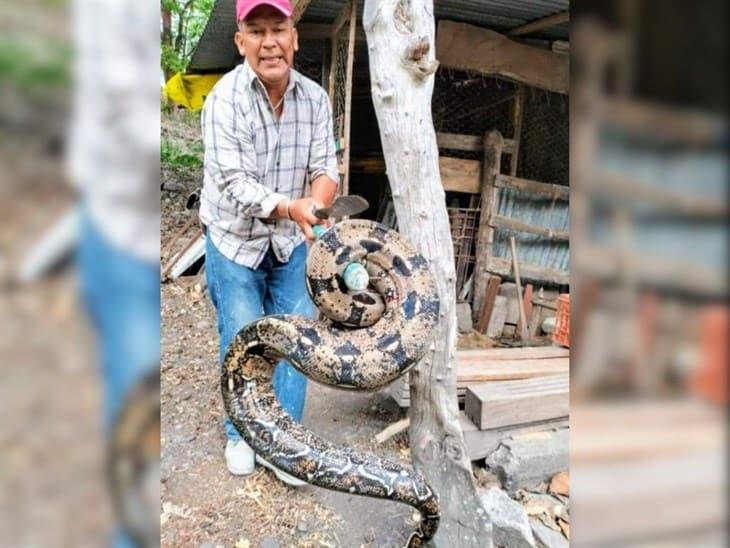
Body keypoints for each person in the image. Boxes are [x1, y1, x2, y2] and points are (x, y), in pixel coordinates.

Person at [199, 0, 339, 484]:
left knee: (297, 334)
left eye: (278, 28)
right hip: (234, 240)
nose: (269, 42)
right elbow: (237, 186)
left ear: (294, 36)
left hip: (290, 240)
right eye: (255, 31)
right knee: (242, 335)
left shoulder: (316, 100)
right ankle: (242, 435)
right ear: (240, 42)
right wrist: (292, 207)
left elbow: (325, 169)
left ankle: (285, 442)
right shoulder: (223, 100)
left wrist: (316, 205)